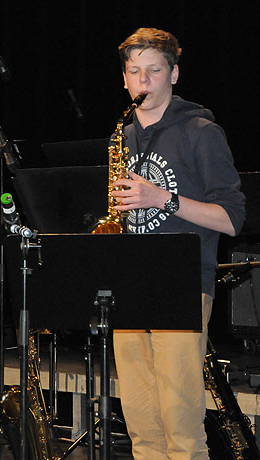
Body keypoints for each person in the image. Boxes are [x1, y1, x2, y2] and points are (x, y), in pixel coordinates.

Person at [110, 28, 245, 460]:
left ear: (174, 74)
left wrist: (162, 198)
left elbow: (231, 219)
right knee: (141, 423)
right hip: (129, 283)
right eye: (136, 72)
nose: (144, 81)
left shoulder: (201, 131)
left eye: (155, 70)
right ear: (125, 80)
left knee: (182, 424)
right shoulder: (122, 136)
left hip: (182, 283)